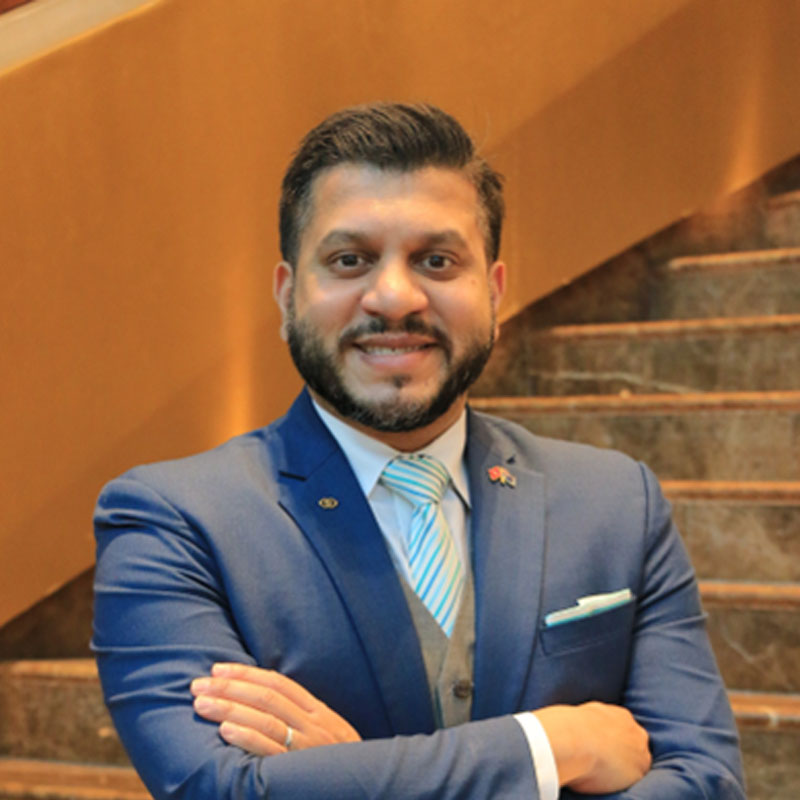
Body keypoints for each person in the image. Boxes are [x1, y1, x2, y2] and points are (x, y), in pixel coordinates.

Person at [93, 102, 745, 799]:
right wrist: (553, 745)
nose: (394, 297)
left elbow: (705, 783)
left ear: (494, 292)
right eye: (349, 260)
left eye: (437, 260)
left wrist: (349, 776)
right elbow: (221, 790)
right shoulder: (173, 521)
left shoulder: (617, 502)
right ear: (287, 297)